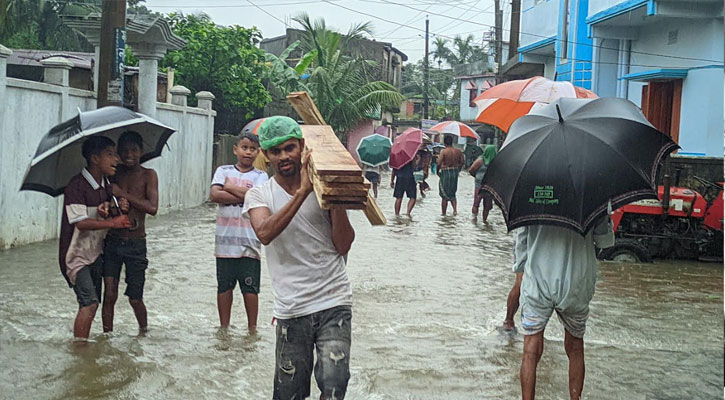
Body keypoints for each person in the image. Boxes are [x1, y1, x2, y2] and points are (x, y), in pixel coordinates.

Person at [243, 116, 355, 400]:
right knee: (289, 393)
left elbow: (343, 245)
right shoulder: (259, 194)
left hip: (334, 300)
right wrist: (302, 192)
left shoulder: (323, 188)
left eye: (289, 148)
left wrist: (335, 199)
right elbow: (265, 233)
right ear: (265, 156)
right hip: (292, 308)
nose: (283, 156)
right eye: (275, 151)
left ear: (302, 147)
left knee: (335, 382)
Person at [517, 215, 614, 400]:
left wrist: (519, 269)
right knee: (575, 347)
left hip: (538, 279)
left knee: (530, 349)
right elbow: (604, 241)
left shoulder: (531, 191)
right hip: (576, 281)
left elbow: (522, 240)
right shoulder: (593, 190)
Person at [59, 136, 131, 340]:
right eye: (110, 154)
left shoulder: (107, 185)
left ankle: (84, 346)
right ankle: (80, 352)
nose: (116, 159)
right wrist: (112, 223)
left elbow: (110, 209)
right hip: (75, 256)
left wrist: (116, 207)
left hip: (96, 254)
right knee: (89, 303)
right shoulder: (76, 186)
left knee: (93, 303)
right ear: (95, 158)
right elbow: (80, 223)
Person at [209, 131, 269, 332]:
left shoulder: (261, 175)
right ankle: (223, 329)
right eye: (244, 148)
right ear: (235, 150)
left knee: (250, 289)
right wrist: (245, 196)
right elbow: (215, 195)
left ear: (258, 152)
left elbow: (259, 198)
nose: (248, 152)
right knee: (224, 287)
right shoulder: (223, 170)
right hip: (224, 244)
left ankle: (252, 330)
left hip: (250, 243)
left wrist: (230, 188)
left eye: (253, 149)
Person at [102, 131, 159, 334]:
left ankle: (143, 332)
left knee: (135, 298)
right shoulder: (112, 175)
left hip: (136, 244)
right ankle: (106, 336)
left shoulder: (148, 175)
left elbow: (152, 208)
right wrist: (114, 205)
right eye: (124, 151)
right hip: (113, 241)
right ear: (118, 153)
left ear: (141, 152)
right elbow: (107, 203)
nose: (129, 155)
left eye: (134, 150)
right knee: (109, 294)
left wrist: (124, 195)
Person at [468, 144, 497, 223]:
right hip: (483, 185)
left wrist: (477, 176)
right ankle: (477, 220)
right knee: (479, 203)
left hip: (487, 185)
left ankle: (482, 221)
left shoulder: (495, 162)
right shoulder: (481, 161)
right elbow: (471, 170)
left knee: (484, 205)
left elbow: (471, 170)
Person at [437, 135, 464, 215]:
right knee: (452, 192)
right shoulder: (458, 151)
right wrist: (458, 170)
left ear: (444, 143)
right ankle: (455, 210)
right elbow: (462, 162)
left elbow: (439, 163)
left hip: (446, 172)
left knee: (444, 194)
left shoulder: (444, 151)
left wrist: (437, 171)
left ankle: (443, 213)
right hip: (454, 172)